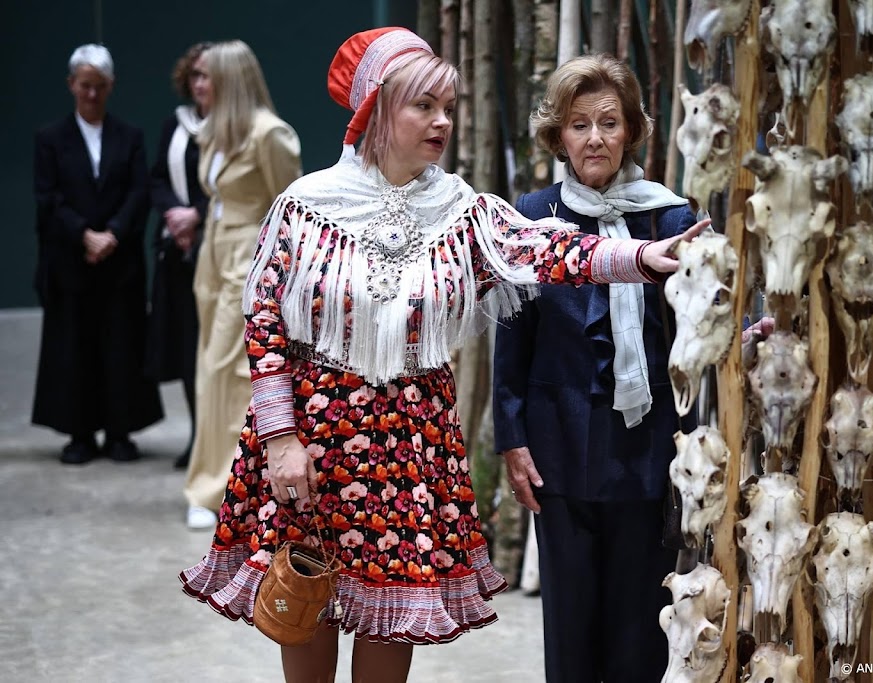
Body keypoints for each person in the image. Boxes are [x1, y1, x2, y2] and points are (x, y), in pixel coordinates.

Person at [179, 28, 706, 683]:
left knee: (390, 610)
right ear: (376, 106)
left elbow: (547, 249)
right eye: (424, 106)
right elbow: (263, 323)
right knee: (306, 600)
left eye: (448, 107)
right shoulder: (307, 205)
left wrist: (637, 258)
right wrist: (280, 435)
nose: (443, 121)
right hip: (313, 437)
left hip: (407, 440)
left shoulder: (460, 211)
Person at [492, 53, 707, 683]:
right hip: (557, 450)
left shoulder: (671, 217)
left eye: (609, 123)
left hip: (647, 454)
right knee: (570, 623)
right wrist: (512, 436)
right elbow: (512, 335)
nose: (595, 138)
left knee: (640, 626)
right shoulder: (530, 216)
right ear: (559, 135)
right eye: (579, 124)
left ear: (633, 131)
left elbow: (701, 325)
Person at [182, 40, 302, 529]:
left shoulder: (269, 135)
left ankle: (225, 490)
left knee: (234, 377)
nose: (197, 85)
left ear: (229, 79)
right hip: (213, 259)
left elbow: (287, 208)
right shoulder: (216, 132)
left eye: (206, 75)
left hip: (247, 263)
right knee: (210, 374)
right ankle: (211, 484)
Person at [32, 43, 162, 464]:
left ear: (110, 87)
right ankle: (80, 433)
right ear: (72, 85)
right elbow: (48, 198)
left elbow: (139, 192)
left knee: (121, 346)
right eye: (84, 86)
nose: (91, 94)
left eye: (99, 87)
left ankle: (121, 432)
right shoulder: (50, 139)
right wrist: (84, 235)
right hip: (71, 262)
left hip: (118, 262)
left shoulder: (130, 136)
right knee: (74, 347)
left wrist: (113, 234)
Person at [147, 42, 212, 470]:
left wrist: (198, 215)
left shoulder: (239, 129)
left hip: (217, 250)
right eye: (196, 76)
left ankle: (217, 442)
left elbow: (244, 194)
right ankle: (195, 437)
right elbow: (156, 178)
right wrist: (176, 215)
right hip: (177, 251)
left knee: (215, 352)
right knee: (188, 349)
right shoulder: (177, 124)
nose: (201, 83)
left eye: (209, 75)